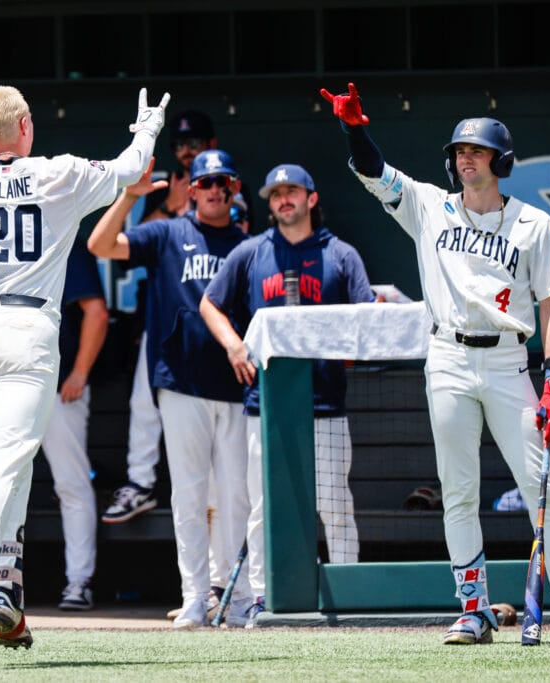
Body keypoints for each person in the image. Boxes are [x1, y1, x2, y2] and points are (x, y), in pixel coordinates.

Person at [320, 82, 550, 645]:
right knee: (457, 488)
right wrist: (353, 129)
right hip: (448, 356)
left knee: (543, 484)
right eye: (459, 151)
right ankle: (473, 608)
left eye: (476, 150)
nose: (464, 158)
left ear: (500, 160)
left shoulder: (533, 224)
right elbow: (374, 172)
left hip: (511, 361)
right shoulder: (427, 205)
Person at [0, 85, 168, 664]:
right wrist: (146, 126)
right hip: (28, 332)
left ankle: (5, 591)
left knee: (11, 463)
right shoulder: (59, 172)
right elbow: (130, 169)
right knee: (7, 461)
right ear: (24, 124)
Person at [200, 163, 375, 627]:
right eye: (275, 193)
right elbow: (210, 304)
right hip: (267, 407)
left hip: (326, 404)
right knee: (263, 510)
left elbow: (367, 316)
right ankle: (263, 597)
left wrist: (350, 349)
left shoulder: (340, 254)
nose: (283, 200)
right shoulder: (251, 253)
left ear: (311, 198)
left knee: (334, 506)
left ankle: (351, 593)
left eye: (292, 191)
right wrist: (235, 345)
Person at [88, 149, 251, 630]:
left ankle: (235, 595)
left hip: (236, 385)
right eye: (205, 183)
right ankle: (196, 595)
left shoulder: (248, 245)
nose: (214, 190)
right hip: (181, 382)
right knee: (189, 494)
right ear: (191, 190)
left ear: (234, 189)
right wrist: (128, 196)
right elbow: (101, 245)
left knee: (235, 495)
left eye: (223, 182)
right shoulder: (167, 233)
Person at [102, 110, 224, 526]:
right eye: (180, 146)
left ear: (210, 144)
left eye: (193, 144)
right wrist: (172, 206)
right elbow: (127, 245)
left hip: (218, 327)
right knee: (144, 402)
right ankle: (140, 483)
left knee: (213, 422)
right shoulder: (166, 188)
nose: (186, 153)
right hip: (166, 319)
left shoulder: (226, 186)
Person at [42, 240, 109, 611]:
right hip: (11, 385)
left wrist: (79, 372)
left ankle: (79, 582)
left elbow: (97, 313)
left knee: (72, 484)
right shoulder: (8, 242)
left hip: (57, 386)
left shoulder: (65, 242)